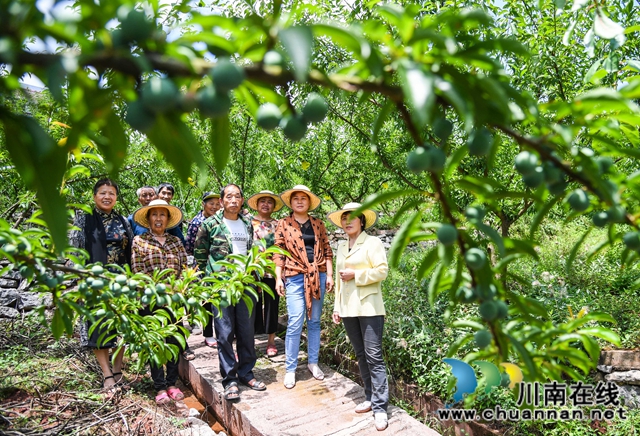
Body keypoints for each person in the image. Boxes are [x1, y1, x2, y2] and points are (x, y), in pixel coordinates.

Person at [194, 184, 266, 401]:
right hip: (222, 286)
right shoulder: (209, 225)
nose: (233, 200)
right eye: (229, 196)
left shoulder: (247, 224)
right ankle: (230, 379)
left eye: (237, 196)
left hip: (244, 285)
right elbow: (200, 255)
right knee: (224, 334)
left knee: (246, 331)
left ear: (242, 201)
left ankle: (246, 373)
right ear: (222, 201)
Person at [327, 203, 390, 431]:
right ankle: (370, 396)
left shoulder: (373, 243)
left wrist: (357, 274)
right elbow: (339, 281)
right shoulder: (342, 246)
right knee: (361, 355)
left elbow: (382, 271)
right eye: (344, 218)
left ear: (361, 221)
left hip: (370, 308)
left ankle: (381, 407)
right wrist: (337, 307)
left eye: (353, 217)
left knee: (374, 356)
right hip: (348, 309)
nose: (348, 221)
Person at [69, 178, 133, 394]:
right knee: (99, 325)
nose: (107, 197)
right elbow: (75, 252)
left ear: (116, 197)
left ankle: (117, 370)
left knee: (122, 324)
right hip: (95, 281)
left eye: (112, 193)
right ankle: (107, 374)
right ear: (95, 195)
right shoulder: (84, 219)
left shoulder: (123, 220)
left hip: (122, 280)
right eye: (103, 193)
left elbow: (130, 250)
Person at [274, 185, 333, 389]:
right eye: (296, 198)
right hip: (294, 275)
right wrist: (278, 278)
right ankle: (290, 369)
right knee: (295, 320)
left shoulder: (318, 224)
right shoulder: (283, 224)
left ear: (309, 202)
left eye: (304, 198)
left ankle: (313, 362)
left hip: (318, 275)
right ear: (291, 202)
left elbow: (326, 250)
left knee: (314, 321)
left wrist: (330, 275)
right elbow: (278, 252)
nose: (299, 201)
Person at [131, 199, 189, 404]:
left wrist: (178, 289)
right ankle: (159, 386)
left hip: (174, 299)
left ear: (167, 219)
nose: (158, 218)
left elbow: (184, 269)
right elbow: (138, 271)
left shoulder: (176, 242)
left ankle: (172, 383)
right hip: (151, 300)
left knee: (173, 340)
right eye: (154, 215)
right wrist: (157, 291)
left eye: (162, 215)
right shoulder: (139, 241)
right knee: (154, 341)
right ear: (148, 219)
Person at [247, 190, 284, 357]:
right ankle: (248, 341)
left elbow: (282, 248)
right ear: (257, 204)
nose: (266, 204)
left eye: (269, 202)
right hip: (252, 269)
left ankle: (271, 341)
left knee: (271, 304)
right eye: (262, 201)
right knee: (251, 304)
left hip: (271, 269)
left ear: (274, 206)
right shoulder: (248, 222)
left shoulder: (278, 224)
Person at [185, 191, 221, 342]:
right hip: (201, 264)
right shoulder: (197, 222)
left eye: (217, 204)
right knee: (205, 298)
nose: (214, 207)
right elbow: (189, 246)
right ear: (203, 205)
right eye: (210, 204)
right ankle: (206, 333)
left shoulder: (220, 219)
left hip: (217, 265)